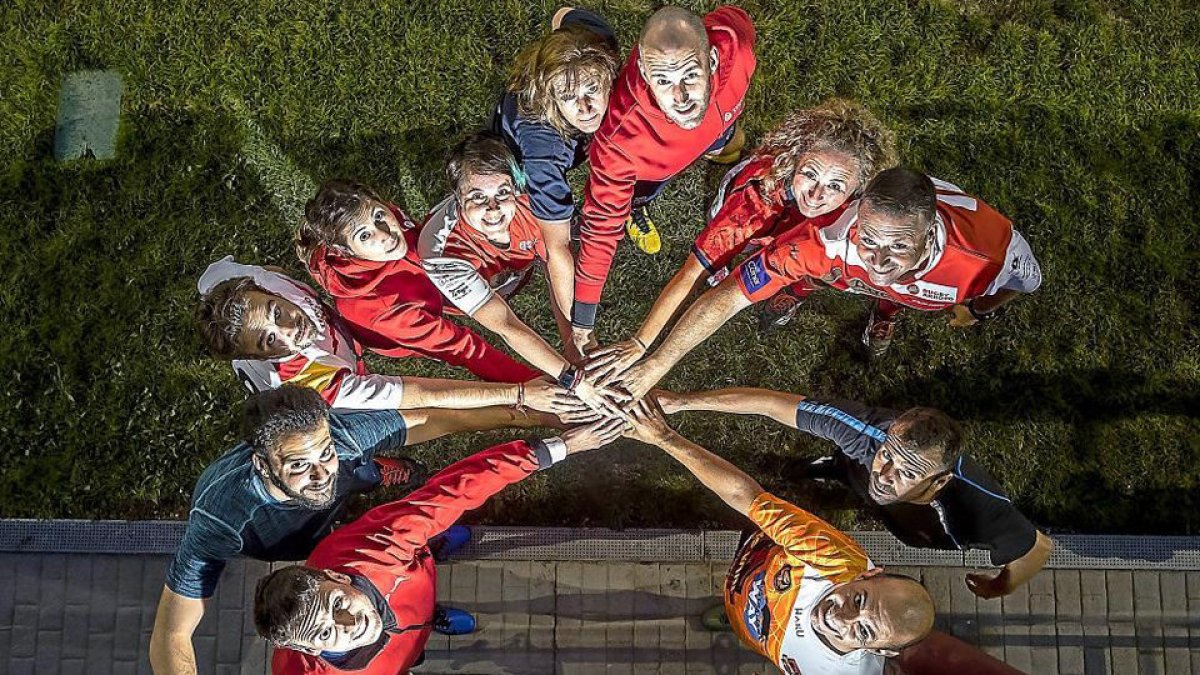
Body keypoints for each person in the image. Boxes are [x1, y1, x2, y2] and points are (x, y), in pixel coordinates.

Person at [148, 385, 564, 674]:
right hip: (288, 541)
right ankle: (415, 606)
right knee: (358, 552)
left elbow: (439, 417)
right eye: (298, 464)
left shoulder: (342, 437)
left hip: (341, 514)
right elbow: (171, 632)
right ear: (261, 464)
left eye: (324, 452)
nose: (320, 473)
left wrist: (533, 411)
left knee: (375, 502)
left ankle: (415, 534)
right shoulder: (219, 518)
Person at [615, 167, 1044, 398]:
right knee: (821, 276)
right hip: (833, 272)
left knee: (892, 293)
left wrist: (979, 309)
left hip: (917, 289)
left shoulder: (990, 254)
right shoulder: (820, 244)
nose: (878, 259)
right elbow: (729, 297)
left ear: (929, 232)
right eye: (868, 238)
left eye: (898, 245)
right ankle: (798, 294)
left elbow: (1027, 283)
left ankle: (886, 314)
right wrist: (657, 363)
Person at [252, 418, 627, 673]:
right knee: (408, 640)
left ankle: (429, 549)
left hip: (401, 561)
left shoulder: (380, 545)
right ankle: (425, 623)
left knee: (427, 529)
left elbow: (452, 492)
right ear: (309, 650)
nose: (350, 624)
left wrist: (555, 448)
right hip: (402, 643)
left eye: (337, 604)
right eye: (324, 634)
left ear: (337, 577)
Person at [586, 100, 895, 384]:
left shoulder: (863, 214)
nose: (816, 195)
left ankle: (796, 292)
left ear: (859, 190)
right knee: (726, 272)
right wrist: (640, 343)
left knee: (820, 267)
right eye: (810, 174)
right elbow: (693, 273)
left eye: (835, 186)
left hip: (795, 241)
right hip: (752, 227)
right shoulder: (753, 206)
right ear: (795, 160)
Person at [622, 399, 935, 674]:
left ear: (882, 652)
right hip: (758, 551)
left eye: (864, 631)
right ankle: (734, 610)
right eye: (858, 598)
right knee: (760, 517)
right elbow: (746, 496)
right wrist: (664, 437)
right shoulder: (832, 557)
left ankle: (735, 616)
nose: (840, 617)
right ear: (868, 574)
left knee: (742, 621)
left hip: (757, 630)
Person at [657, 387, 1054, 599]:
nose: (885, 473)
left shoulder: (982, 509)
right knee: (855, 472)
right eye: (888, 454)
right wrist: (682, 402)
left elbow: (1039, 549)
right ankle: (832, 469)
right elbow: (773, 404)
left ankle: (840, 473)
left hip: (922, 532)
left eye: (908, 472)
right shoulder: (867, 433)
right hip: (873, 484)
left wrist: (1001, 586)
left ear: (939, 482)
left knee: (878, 495)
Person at [570, 4, 756, 352]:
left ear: (712, 59)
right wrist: (582, 323)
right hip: (651, 170)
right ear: (643, 70)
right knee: (641, 192)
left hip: (719, 127)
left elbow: (736, 17)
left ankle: (720, 144)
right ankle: (637, 207)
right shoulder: (619, 143)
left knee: (729, 143)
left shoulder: (737, 44)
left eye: (690, 75)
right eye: (663, 81)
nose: (680, 97)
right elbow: (602, 226)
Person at [196, 257, 592, 419]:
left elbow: (256, 276)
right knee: (366, 428)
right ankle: (375, 467)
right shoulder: (313, 383)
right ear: (261, 358)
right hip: (331, 392)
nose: (288, 328)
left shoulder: (246, 280)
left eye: (277, 312)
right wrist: (520, 394)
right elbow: (421, 394)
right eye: (269, 341)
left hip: (336, 337)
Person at [419, 133, 627, 417]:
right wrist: (574, 380)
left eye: (502, 193)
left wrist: (577, 337)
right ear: (457, 197)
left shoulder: (532, 203)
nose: (493, 208)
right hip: (458, 296)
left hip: (510, 271)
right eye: (477, 197)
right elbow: (505, 324)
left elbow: (555, 263)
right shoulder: (442, 252)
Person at [296, 180, 542, 384]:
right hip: (404, 328)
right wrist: (531, 381)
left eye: (379, 215)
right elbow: (463, 348)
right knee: (446, 339)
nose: (385, 233)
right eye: (364, 235)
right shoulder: (376, 308)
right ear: (345, 250)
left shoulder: (386, 225)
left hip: (427, 280)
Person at [493, 7, 619, 361]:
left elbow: (565, 13)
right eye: (568, 96)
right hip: (515, 153)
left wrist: (559, 38)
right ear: (550, 97)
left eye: (592, 89)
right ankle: (574, 349)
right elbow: (558, 248)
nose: (586, 107)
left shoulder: (595, 41)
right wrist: (581, 332)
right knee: (544, 231)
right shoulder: (543, 151)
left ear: (610, 71)